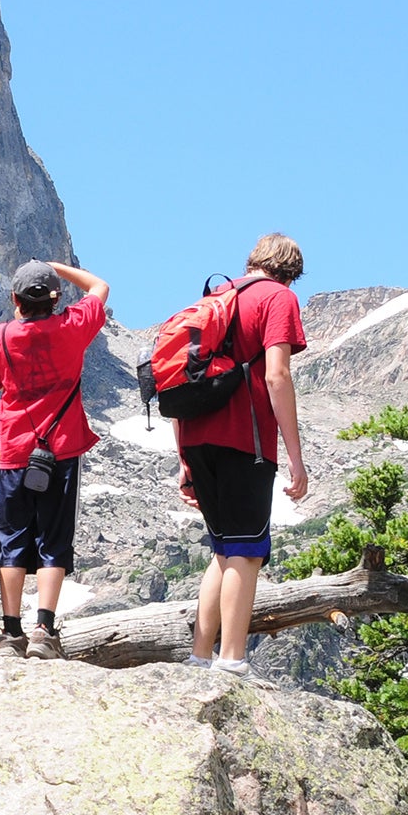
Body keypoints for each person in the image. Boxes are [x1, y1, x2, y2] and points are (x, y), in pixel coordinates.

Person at [175, 233, 310, 677]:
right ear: (290, 272)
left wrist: (183, 460)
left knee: (222, 548)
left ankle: (199, 656)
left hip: (197, 437)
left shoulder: (215, 297)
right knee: (246, 552)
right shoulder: (278, 299)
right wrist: (295, 456)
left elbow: (178, 379)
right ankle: (232, 660)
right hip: (244, 440)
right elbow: (277, 375)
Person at [0, 258, 109, 659]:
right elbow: (99, 287)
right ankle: (44, 630)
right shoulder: (73, 326)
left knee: (12, 541)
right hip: (62, 450)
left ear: (15, 300)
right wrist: (57, 266)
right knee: (54, 541)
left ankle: (9, 633)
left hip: (15, 452)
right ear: (56, 298)